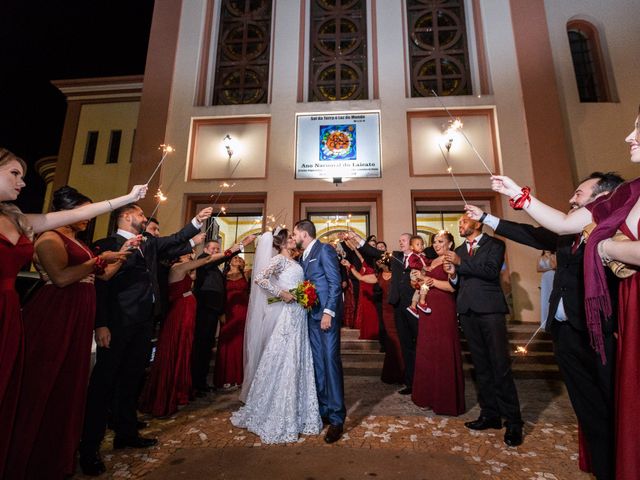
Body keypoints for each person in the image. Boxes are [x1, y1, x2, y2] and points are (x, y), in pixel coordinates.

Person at [490, 116, 640, 477]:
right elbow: (560, 224)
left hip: (606, 321)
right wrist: (516, 193)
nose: (628, 134)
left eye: (638, 127)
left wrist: (607, 248)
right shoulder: (628, 193)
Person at [466, 170, 624, 480]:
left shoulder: (611, 232)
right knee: (587, 409)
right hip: (565, 332)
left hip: (599, 332)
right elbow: (531, 234)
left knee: (612, 408)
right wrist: (487, 217)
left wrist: (516, 194)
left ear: (602, 198)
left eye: (579, 193)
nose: (571, 198)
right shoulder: (566, 236)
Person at [0, 148, 147, 477]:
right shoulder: (47, 238)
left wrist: (118, 252)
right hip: (55, 313)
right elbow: (64, 277)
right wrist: (98, 260)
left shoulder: (20, 220)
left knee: (69, 385)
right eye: (14, 174)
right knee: (41, 383)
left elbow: (97, 276)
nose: (23, 182)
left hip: (71, 311)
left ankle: (51, 453)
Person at [78, 204, 212, 476]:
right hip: (117, 323)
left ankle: (126, 432)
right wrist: (100, 323)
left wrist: (196, 221)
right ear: (127, 217)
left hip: (143, 322)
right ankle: (89, 446)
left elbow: (174, 240)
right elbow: (100, 286)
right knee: (104, 383)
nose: (144, 218)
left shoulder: (148, 244)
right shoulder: (106, 244)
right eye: (140, 215)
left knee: (132, 377)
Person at [231, 228, 322, 443]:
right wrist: (281, 293)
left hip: (299, 313)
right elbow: (260, 278)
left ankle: (299, 413)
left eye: (293, 237)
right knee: (284, 356)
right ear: (281, 243)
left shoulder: (294, 261)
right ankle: (277, 411)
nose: (293, 240)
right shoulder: (280, 260)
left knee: (297, 356)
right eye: (290, 238)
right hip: (288, 313)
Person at [443, 215, 523, 446]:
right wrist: (454, 273)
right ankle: (490, 414)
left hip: (490, 310)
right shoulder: (459, 248)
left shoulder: (495, 245)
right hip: (467, 310)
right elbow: (458, 282)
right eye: (459, 223)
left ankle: (514, 421)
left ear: (477, 224)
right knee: (481, 366)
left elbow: (489, 271)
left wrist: (459, 263)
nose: (461, 225)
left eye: (464, 222)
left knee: (500, 364)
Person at [140, 247, 231, 417]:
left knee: (186, 349)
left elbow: (195, 275)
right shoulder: (177, 268)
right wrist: (233, 249)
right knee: (177, 347)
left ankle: (182, 388)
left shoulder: (186, 269)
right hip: (180, 312)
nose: (191, 253)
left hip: (188, 311)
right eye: (187, 251)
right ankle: (168, 393)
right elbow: (205, 260)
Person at [293, 219, 345, 443]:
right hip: (310, 317)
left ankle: (337, 418)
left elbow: (335, 283)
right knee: (318, 365)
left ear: (304, 234)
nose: (294, 238)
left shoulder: (324, 249)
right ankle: (323, 409)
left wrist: (328, 312)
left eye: (295, 234)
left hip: (325, 317)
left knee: (330, 363)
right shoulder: (302, 257)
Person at [349, 231, 417, 395]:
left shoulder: (419, 258)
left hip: (415, 308)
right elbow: (375, 252)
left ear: (413, 243)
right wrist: (358, 239)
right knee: (405, 345)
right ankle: (409, 382)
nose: (400, 242)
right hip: (399, 308)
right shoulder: (397, 257)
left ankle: (419, 380)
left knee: (415, 346)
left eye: (404, 240)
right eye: (399, 240)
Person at [411, 230, 464, 415]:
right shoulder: (432, 261)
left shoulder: (450, 260)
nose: (436, 244)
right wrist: (418, 280)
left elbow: (452, 287)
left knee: (443, 351)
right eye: (434, 241)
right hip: (428, 310)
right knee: (428, 351)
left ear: (450, 244)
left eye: (441, 241)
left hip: (443, 309)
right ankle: (427, 396)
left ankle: (444, 400)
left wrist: (430, 280)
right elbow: (424, 283)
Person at [191, 238, 252, 397]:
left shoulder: (215, 269)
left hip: (216, 311)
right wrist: (241, 245)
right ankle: (195, 384)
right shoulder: (203, 261)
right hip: (205, 310)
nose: (216, 251)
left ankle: (201, 383)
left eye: (218, 248)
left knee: (206, 347)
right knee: (200, 348)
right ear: (206, 249)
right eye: (213, 248)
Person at [214, 255, 250, 389]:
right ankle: (226, 377)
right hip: (228, 312)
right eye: (235, 258)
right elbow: (219, 295)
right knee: (226, 342)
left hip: (243, 311)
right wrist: (220, 312)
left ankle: (239, 377)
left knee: (240, 342)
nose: (237, 259)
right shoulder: (223, 276)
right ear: (229, 261)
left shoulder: (246, 274)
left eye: (240, 259)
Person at [341, 238, 378, 340]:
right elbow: (358, 254)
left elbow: (360, 277)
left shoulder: (374, 270)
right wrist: (349, 242)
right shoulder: (365, 262)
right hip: (364, 291)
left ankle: (373, 333)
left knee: (371, 313)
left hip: (370, 293)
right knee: (364, 312)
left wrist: (349, 266)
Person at [376, 253, 405, 385]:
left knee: (397, 339)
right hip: (385, 311)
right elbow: (362, 278)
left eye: (382, 261)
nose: (379, 262)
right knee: (391, 340)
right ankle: (391, 372)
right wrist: (350, 267)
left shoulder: (396, 275)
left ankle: (402, 371)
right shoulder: (379, 275)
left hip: (394, 308)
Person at [405, 235, 431, 318]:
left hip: (419, 273)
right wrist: (422, 266)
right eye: (418, 244)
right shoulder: (413, 256)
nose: (421, 246)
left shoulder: (422, 255)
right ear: (411, 247)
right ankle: (422, 302)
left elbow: (427, 261)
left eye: (422, 244)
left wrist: (433, 262)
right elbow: (412, 264)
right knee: (425, 284)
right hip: (415, 273)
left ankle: (413, 306)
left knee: (418, 290)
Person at [537, 250, 556, 329]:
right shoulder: (539, 257)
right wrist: (549, 269)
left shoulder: (553, 256)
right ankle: (545, 322)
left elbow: (555, 267)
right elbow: (538, 269)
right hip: (544, 279)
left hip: (552, 277)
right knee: (545, 299)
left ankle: (553, 322)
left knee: (552, 298)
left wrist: (550, 258)